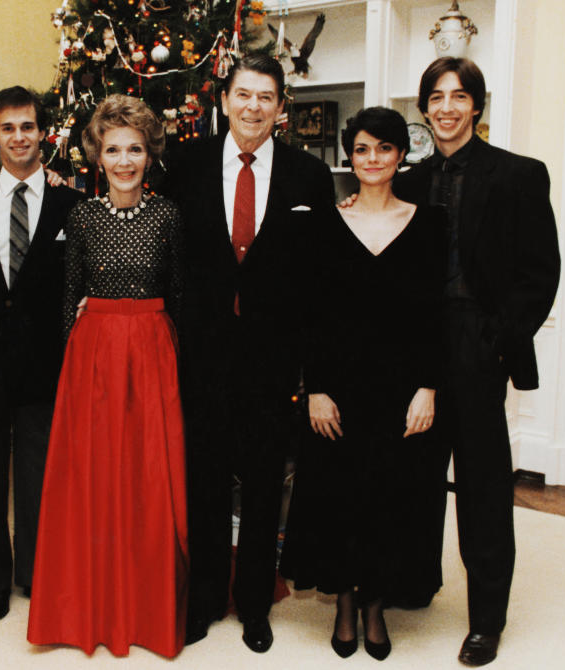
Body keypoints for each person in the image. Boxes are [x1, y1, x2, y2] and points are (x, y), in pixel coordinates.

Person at [163, 54, 335, 653]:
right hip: (202, 355)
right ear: (224, 99)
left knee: (265, 485)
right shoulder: (182, 165)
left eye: (266, 97)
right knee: (205, 479)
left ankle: (256, 603)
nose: (253, 106)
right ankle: (208, 598)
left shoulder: (309, 177)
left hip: (272, 361)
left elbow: (317, 279)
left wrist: (311, 368)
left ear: (281, 108)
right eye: (244, 94)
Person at [391, 58, 560, 666]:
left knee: (484, 488)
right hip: (417, 348)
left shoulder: (518, 175)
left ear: (477, 106)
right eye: (435, 97)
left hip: (479, 345)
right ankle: (414, 584)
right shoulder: (406, 182)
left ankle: (486, 620)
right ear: (424, 107)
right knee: (414, 473)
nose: (446, 108)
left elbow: (540, 275)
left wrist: (497, 340)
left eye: (459, 97)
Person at [279, 107, 445, 661]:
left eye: (384, 149)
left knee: (390, 500)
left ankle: (376, 606)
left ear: (401, 156)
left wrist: (428, 386)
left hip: (400, 394)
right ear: (349, 158)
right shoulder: (322, 224)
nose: (372, 160)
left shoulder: (431, 223)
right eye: (363, 150)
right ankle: (345, 603)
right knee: (338, 499)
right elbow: (309, 314)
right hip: (339, 391)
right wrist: (316, 389)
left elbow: (434, 317)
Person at [27, 94, 187, 658]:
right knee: (92, 477)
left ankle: (146, 609)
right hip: (92, 355)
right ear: (97, 155)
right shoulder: (82, 216)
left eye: (135, 150)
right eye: (114, 149)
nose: (124, 161)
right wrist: (77, 368)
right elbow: (71, 299)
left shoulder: (168, 215)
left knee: (148, 477)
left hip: (151, 352)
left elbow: (182, 299)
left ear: (150, 156)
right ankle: (89, 607)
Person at [0, 86, 83, 621]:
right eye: (8, 128)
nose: (18, 137)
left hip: (44, 362)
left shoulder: (71, 203)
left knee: (37, 474)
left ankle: (33, 570)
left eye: (27, 126)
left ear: (42, 132)